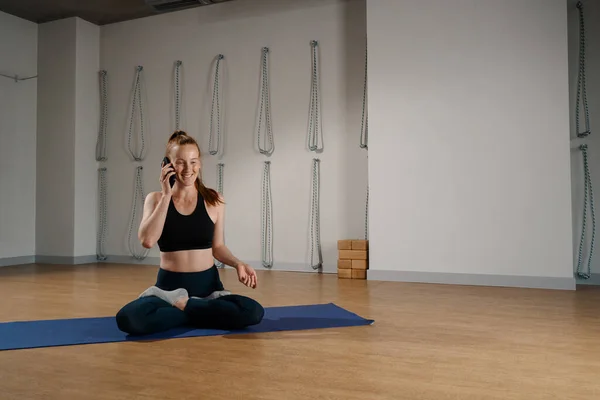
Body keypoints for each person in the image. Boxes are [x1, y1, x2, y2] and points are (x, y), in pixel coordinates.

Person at [115, 130, 265, 336]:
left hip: (209, 288)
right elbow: (148, 241)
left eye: (193, 162)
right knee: (128, 319)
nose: (188, 169)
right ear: (167, 165)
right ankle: (195, 311)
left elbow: (218, 247)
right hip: (168, 291)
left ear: (200, 163)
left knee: (253, 312)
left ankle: (187, 309)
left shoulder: (214, 200)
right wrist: (167, 194)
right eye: (180, 162)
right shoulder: (156, 199)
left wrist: (238, 263)